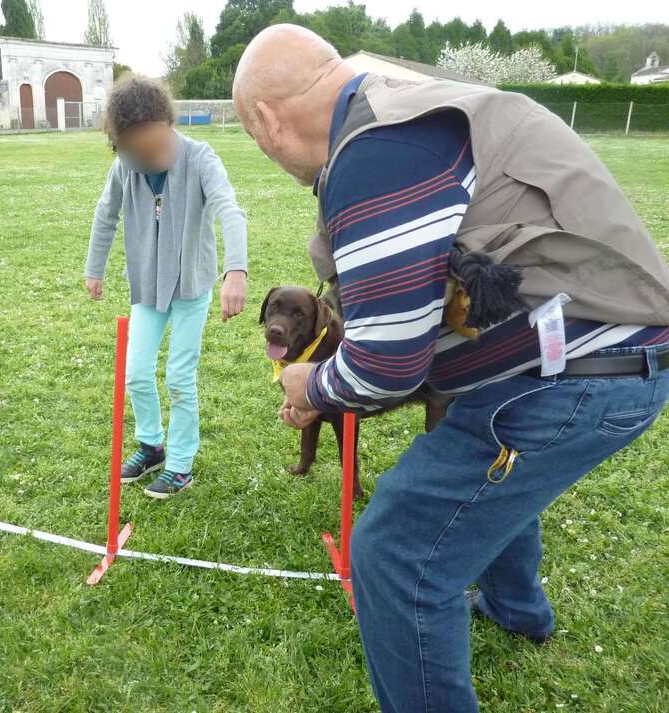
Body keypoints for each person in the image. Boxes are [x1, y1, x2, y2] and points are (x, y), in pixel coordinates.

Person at [233, 24, 669, 713]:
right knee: (483, 458)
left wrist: (313, 386)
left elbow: (388, 364)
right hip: (607, 355)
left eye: (254, 139)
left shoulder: (373, 151)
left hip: (584, 372)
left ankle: (500, 610)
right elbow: (415, 336)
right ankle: (518, 608)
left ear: (266, 119)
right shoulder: (401, 113)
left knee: (394, 556)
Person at [86, 75, 248, 499]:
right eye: (140, 151)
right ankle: (152, 445)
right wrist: (95, 268)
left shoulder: (200, 158)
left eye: (158, 145)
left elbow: (230, 209)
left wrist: (236, 269)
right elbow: (106, 216)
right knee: (136, 372)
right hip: (147, 288)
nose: (152, 157)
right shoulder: (124, 168)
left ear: (168, 125)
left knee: (179, 376)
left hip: (192, 288)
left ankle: (180, 465)